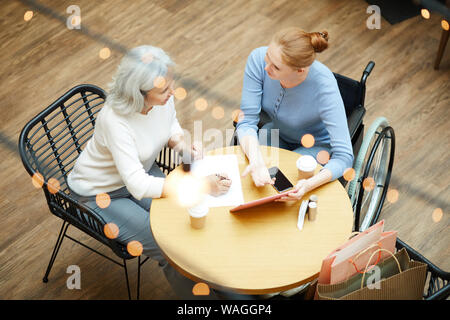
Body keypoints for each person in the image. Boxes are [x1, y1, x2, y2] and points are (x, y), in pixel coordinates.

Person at [67, 45, 231, 298]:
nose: (172, 92)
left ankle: (216, 279)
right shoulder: (115, 121)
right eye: (164, 90)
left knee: (187, 218)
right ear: (139, 94)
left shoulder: (162, 96)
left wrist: (181, 144)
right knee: (169, 248)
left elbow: (168, 123)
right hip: (100, 192)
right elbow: (138, 186)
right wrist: (200, 185)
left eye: (171, 84)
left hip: (139, 174)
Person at [236, 27, 354, 202]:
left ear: (300, 70)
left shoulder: (324, 86)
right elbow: (246, 122)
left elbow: (344, 157)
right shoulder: (257, 59)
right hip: (277, 134)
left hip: (315, 147)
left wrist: (309, 184)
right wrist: (256, 160)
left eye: (275, 67)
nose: (266, 67)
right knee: (249, 178)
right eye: (268, 57)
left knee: (282, 192)